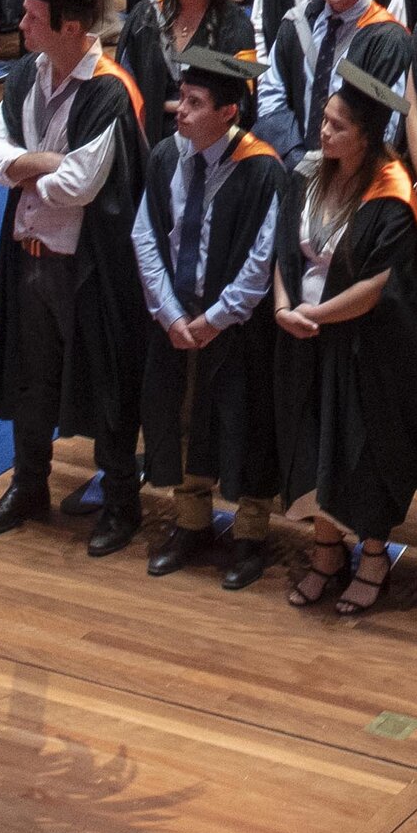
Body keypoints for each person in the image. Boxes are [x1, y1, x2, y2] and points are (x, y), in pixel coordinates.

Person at [0, 0, 150, 555]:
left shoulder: (110, 94)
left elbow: (81, 186)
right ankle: (29, 486)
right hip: (29, 253)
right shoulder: (26, 76)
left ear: (71, 27)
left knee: (105, 383)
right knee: (32, 378)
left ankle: (122, 504)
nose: (20, 24)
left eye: (31, 15)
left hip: (89, 268)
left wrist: (26, 170)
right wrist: (43, 166)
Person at [270, 65, 417, 613]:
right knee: (311, 447)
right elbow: (284, 252)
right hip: (307, 335)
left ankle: (372, 555)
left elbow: (379, 286)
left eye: (338, 126)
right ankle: (324, 552)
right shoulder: (309, 174)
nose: (324, 132)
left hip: (367, 350)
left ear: (366, 137)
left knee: (360, 454)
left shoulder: (391, 194)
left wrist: (316, 314)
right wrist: (281, 305)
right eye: (324, 119)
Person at [132, 44, 289, 590]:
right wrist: (170, 314)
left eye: (195, 102)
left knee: (243, 424)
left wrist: (216, 318)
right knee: (182, 419)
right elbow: (145, 236)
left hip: (237, 329)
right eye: (181, 97)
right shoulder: (165, 157)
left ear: (229, 113)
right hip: (176, 321)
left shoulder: (264, 170)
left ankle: (249, 534)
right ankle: (191, 522)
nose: (180, 110)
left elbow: (262, 260)